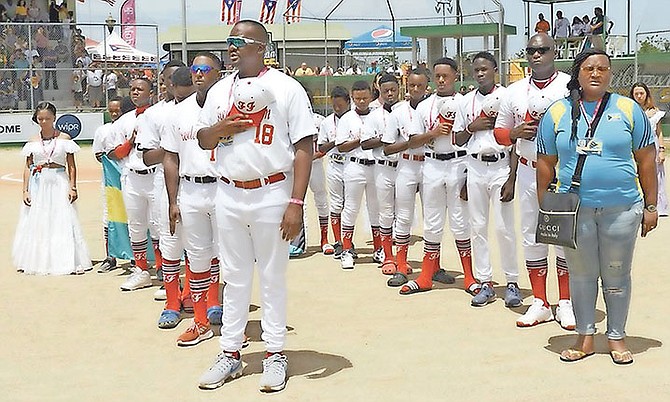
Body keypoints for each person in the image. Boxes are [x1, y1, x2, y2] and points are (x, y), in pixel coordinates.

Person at [196, 20, 314, 392]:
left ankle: (275, 352)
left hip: (272, 191)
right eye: (228, 40)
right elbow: (202, 139)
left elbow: (304, 147)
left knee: (273, 275)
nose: (230, 47)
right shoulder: (219, 89)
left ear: (261, 47)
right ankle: (230, 352)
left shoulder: (286, 88)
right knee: (233, 276)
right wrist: (221, 129)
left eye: (239, 41)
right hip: (229, 190)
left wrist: (296, 202)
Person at [537, 48, 657, 365]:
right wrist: (546, 208)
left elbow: (646, 160)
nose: (596, 73)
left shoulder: (629, 110)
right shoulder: (557, 113)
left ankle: (616, 336)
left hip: (622, 208)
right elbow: (545, 163)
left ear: (610, 74)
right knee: (582, 275)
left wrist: (651, 205)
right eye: (589, 68)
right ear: (578, 73)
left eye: (603, 68)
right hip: (575, 210)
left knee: (617, 275)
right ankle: (585, 337)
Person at [493, 33, 576, 329]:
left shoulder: (569, 85)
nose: (536, 54)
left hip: (560, 170)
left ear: (554, 52)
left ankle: (565, 302)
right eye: (531, 50)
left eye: (542, 49)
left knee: (563, 237)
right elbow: (499, 133)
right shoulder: (514, 91)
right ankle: (540, 301)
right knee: (531, 235)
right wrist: (515, 134)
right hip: (528, 168)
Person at [160, 62, 223, 345]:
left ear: (218, 73)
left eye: (206, 68)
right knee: (197, 256)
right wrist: (173, 201)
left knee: (231, 258)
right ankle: (200, 322)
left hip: (224, 189)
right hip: (191, 191)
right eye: (195, 68)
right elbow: (170, 158)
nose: (198, 73)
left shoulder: (228, 106)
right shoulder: (178, 113)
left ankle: (234, 323)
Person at [398, 57, 472, 295]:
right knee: (432, 220)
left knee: (460, 221)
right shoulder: (424, 106)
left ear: (455, 75)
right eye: (437, 76)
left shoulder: (464, 103)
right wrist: (433, 132)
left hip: (458, 162)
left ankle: (469, 277)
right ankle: (426, 275)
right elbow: (412, 140)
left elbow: (471, 136)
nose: (441, 80)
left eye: (446, 76)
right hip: (432, 164)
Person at [453, 51, 520, 305]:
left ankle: (512, 282)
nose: (480, 73)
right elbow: (457, 139)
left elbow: (515, 141)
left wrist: (512, 178)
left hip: (501, 165)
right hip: (475, 167)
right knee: (478, 227)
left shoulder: (506, 97)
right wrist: (473, 127)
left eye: (485, 69)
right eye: (476, 70)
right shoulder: (466, 101)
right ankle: (485, 282)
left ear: (494, 70)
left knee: (504, 228)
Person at [13, 102, 92, 275]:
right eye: (40, 118)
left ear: (54, 118)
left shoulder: (64, 139)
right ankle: (36, 259)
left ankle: (68, 259)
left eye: (47, 118)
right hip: (39, 183)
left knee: (62, 218)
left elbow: (71, 166)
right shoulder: (33, 141)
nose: (43, 122)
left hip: (59, 180)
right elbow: (28, 166)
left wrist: (73, 187)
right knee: (38, 219)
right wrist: (25, 189)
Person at [107, 77, 161, 292]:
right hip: (132, 176)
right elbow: (113, 153)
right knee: (136, 226)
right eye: (132, 89)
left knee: (158, 226)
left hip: (155, 175)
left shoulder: (159, 114)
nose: (135, 92)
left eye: (140, 89)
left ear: (151, 92)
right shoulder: (124, 120)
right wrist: (130, 141)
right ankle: (141, 270)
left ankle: (163, 270)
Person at [381, 69, 428, 286]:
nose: (416, 89)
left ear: (427, 86)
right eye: (411, 86)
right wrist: (411, 143)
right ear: (406, 87)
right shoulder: (398, 112)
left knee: (432, 217)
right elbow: (388, 149)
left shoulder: (433, 107)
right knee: (404, 215)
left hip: (431, 164)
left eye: (420, 86)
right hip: (407, 164)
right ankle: (401, 265)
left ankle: (432, 266)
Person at [335, 80, 381, 270]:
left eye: (365, 98)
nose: (362, 101)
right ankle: (347, 249)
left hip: (376, 166)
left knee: (375, 209)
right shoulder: (347, 118)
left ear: (371, 97)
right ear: (352, 98)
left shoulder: (379, 115)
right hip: (354, 166)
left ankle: (379, 249)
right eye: (358, 98)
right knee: (351, 208)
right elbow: (341, 146)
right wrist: (361, 140)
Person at [361, 74, 401, 273]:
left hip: (403, 167)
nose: (390, 94)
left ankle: (402, 258)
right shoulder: (374, 115)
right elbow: (365, 143)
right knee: (385, 212)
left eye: (393, 89)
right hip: (382, 167)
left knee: (403, 213)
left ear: (399, 88)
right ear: (380, 92)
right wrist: (385, 138)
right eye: (386, 91)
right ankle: (387, 255)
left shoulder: (405, 111)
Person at [317, 86, 351, 258]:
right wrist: (335, 142)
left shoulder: (354, 119)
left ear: (348, 102)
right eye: (335, 105)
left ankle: (348, 241)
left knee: (351, 205)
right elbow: (321, 147)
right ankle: (338, 241)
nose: (337, 108)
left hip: (352, 165)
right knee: (336, 203)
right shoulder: (326, 122)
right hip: (334, 165)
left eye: (340, 105)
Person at [92, 97, 123, 273]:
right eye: (111, 110)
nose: (114, 113)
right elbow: (98, 155)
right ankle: (110, 257)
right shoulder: (102, 130)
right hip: (110, 181)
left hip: (132, 178)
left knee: (132, 218)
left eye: (117, 109)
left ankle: (135, 257)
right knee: (109, 215)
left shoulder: (130, 125)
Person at [631, 82, 667, 216]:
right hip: (636, 147)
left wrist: (662, 150)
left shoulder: (655, 112)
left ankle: (657, 206)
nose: (639, 96)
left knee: (656, 176)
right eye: (636, 94)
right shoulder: (631, 110)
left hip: (653, 147)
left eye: (641, 93)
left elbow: (659, 133)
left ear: (647, 94)